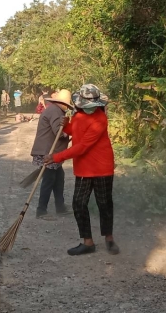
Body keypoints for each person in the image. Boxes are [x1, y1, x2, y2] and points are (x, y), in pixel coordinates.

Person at [51, 84, 118, 256]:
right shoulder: (78, 116)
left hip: (102, 167)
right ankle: (88, 242)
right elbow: (76, 131)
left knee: (104, 204)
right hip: (83, 168)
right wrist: (66, 126)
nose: (90, 109)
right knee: (79, 203)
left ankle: (109, 238)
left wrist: (56, 157)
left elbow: (82, 146)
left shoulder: (101, 119)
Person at [32, 89, 73, 220]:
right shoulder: (56, 111)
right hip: (48, 152)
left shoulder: (54, 109)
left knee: (59, 178)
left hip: (50, 151)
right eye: (66, 104)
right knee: (49, 181)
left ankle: (60, 207)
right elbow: (59, 132)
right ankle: (41, 210)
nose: (67, 107)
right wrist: (72, 133)